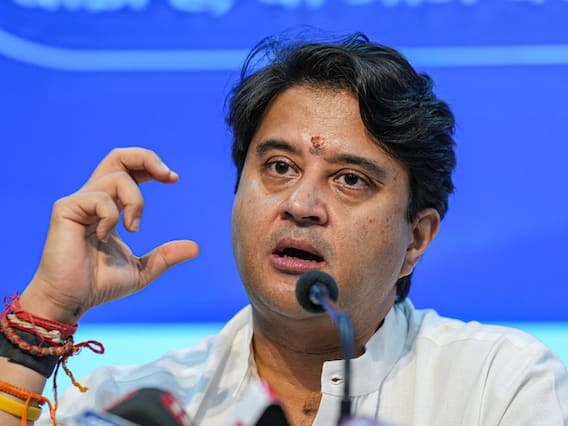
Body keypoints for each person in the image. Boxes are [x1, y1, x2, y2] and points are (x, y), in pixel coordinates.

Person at [1, 32, 567, 426]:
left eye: (350, 179)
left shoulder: (499, 387)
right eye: (278, 167)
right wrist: (47, 308)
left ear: (415, 239)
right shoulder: (138, 407)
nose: (300, 204)